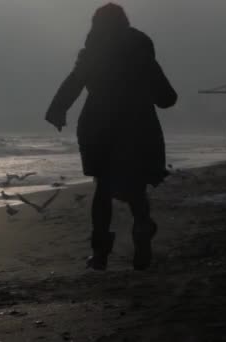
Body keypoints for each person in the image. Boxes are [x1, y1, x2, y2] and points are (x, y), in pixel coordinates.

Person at [45, 3, 177, 271]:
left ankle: (100, 253)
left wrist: (57, 110)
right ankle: (142, 234)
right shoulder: (141, 51)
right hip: (137, 125)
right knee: (136, 187)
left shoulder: (92, 52)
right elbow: (166, 98)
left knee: (103, 187)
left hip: (98, 125)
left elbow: (74, 82)